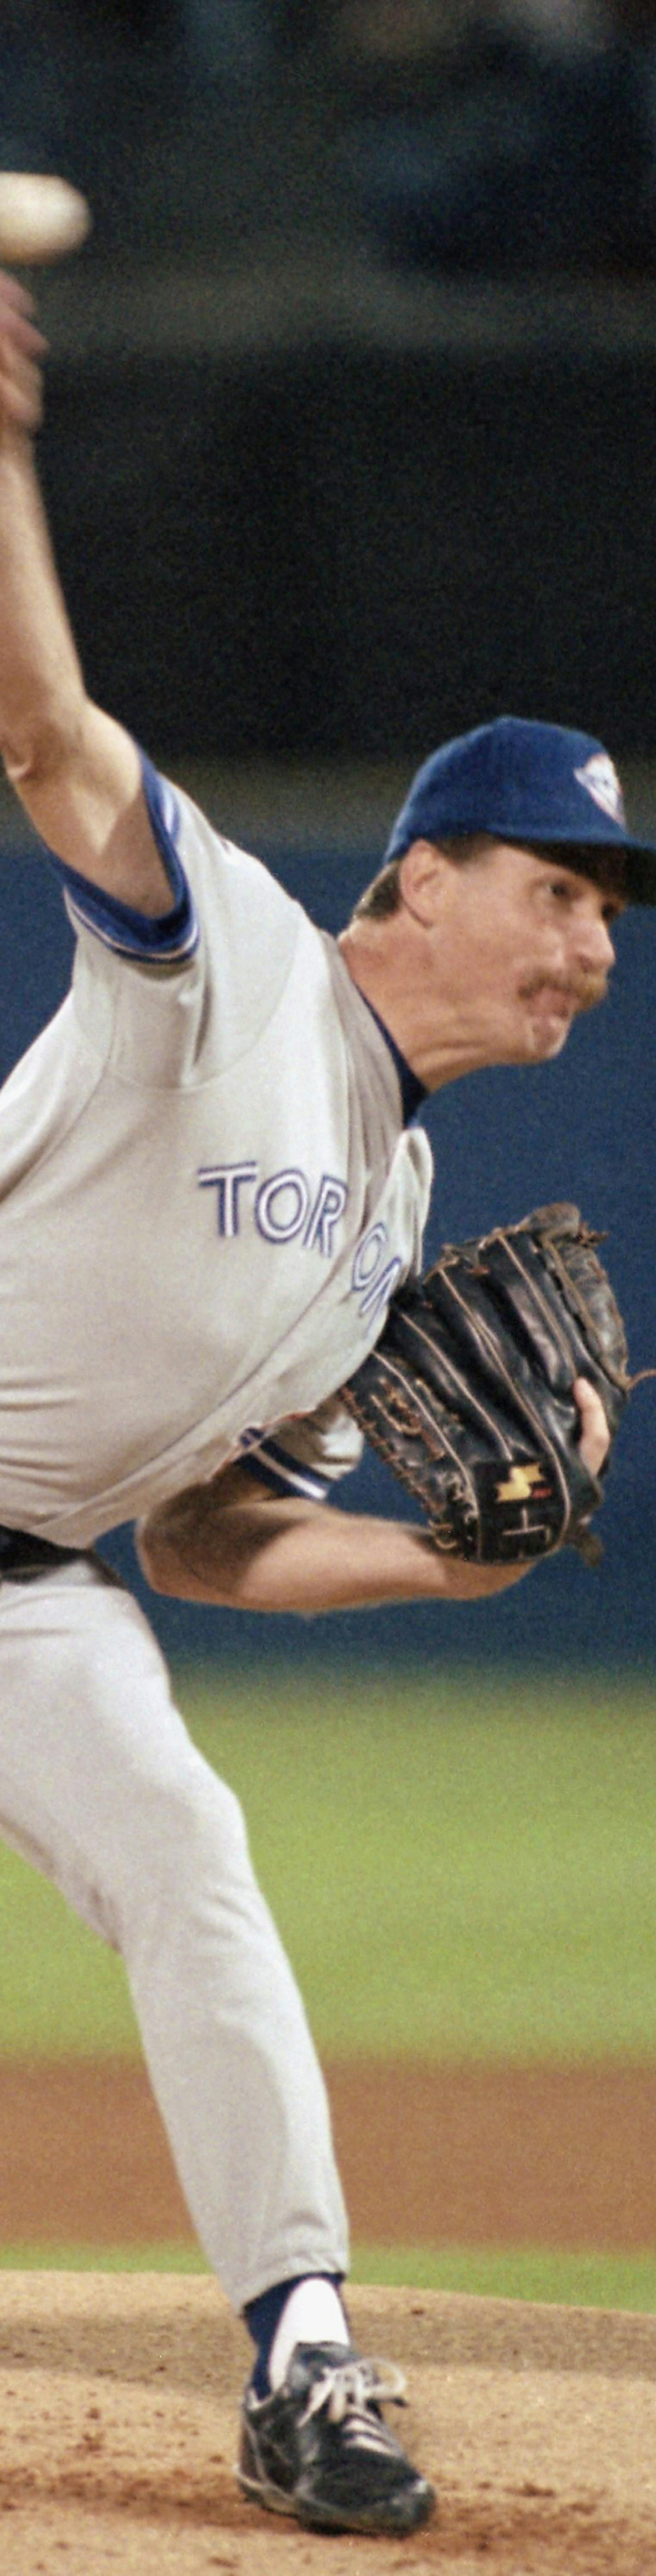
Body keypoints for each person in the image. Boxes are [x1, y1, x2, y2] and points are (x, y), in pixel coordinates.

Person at [0, 266, 642, 2540]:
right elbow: (52, 736)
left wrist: (442, 1554)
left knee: (190, 1861)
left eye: (610, 911)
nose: (588, 939)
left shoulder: (404, 1195)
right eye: (552, 888)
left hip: (27, 1594)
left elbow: (198, 1538)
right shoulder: (239, 961)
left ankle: (300, 2360)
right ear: (414, 880)